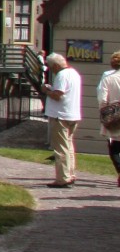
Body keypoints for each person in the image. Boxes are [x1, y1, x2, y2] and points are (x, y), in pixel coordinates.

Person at [43, 52, 82, 187]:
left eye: (50, 66)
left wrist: (46, 90)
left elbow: (58, 95)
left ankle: (63, 178)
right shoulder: (74, 73)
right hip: (73, 114)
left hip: (61, 116)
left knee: (61, 149)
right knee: (69, 147)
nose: (50, 69)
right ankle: (70, 174)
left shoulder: (62, 75)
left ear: (55, 65)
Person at [98, 50, 120, 186]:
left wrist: (105, 114)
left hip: (114, 114)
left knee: (114, 147)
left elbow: (102, 100)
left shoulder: (108, 79)